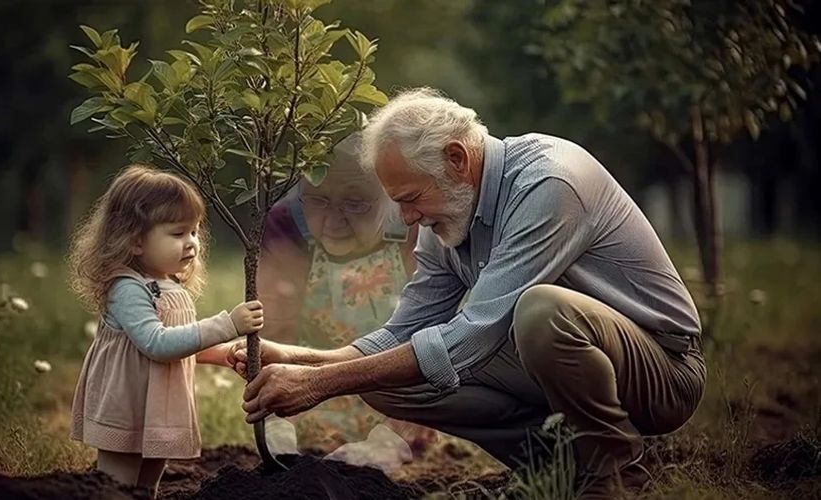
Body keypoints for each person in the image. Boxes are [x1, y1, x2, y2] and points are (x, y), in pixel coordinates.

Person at [232, 88, 706, 497]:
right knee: (384, 380)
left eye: (411, 199)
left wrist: (319, 384)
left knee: (541, 310)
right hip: (552, 359)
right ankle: (557, 466)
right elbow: (403, 333)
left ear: (457, 160)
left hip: (660, 371)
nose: (409, 220)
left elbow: (472, 336)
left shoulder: (550, 183)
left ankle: (614, 470)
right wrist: (295, 359)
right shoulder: (447, 220)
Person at [68, 165, 264, 494]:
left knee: (147, 485)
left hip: (157, 406)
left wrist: (222, 355)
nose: (191, 243)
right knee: (117, 486)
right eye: (177, 234)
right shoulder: (128, 289)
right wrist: (227, 325)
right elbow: (157, 344)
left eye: (194, 231)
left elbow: (181, 342)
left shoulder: (168, 284)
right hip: (128, 406)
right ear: (134, 241)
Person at [257, 132, 437, 471]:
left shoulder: (418, 227)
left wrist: (393, 439)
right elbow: (274, 333)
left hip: (393, 395)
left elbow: (430, 337)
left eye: (355, 204)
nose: (335, 222)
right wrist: (278, 420)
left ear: (389, 196)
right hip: (309, 388)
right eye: (319, 201)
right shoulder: (286, 228)